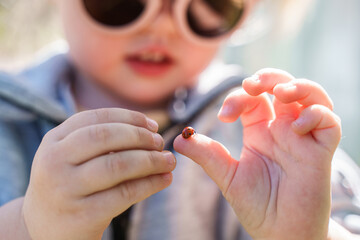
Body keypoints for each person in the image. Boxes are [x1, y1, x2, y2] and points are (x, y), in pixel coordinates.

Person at [0, 0, 359, 239]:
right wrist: (26, 226)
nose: (163, 27)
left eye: (209, 4)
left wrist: (311, 233)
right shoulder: (6, 118)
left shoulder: (273, 134)